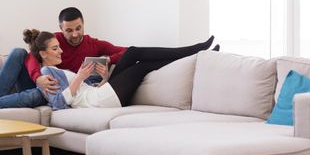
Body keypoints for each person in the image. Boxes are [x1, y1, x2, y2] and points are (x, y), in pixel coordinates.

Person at [0, 7, 127, 109]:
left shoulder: (94, 44)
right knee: (18, 52)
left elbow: (126, 51)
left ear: (83, 24)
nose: (75, 34)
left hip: (58, 90)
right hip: (41, 81)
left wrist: (109, 60)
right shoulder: (54, 40)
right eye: (69, 30)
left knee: (39, 95)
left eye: (78, 28)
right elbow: (32, 56)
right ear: (61, 28)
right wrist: (38, 78)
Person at [24, 29, 217, 109]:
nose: (61, 51)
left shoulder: (59, 70)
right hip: (99, 102)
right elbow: (58, 104)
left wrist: (105, 77)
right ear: (43, 53)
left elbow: (85, 92)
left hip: (100, 94)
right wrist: (79, 77)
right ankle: (194, 52)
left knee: (134, 55)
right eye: (56, 48)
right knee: (139, 64)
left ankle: (194, 52)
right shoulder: (46, 73)